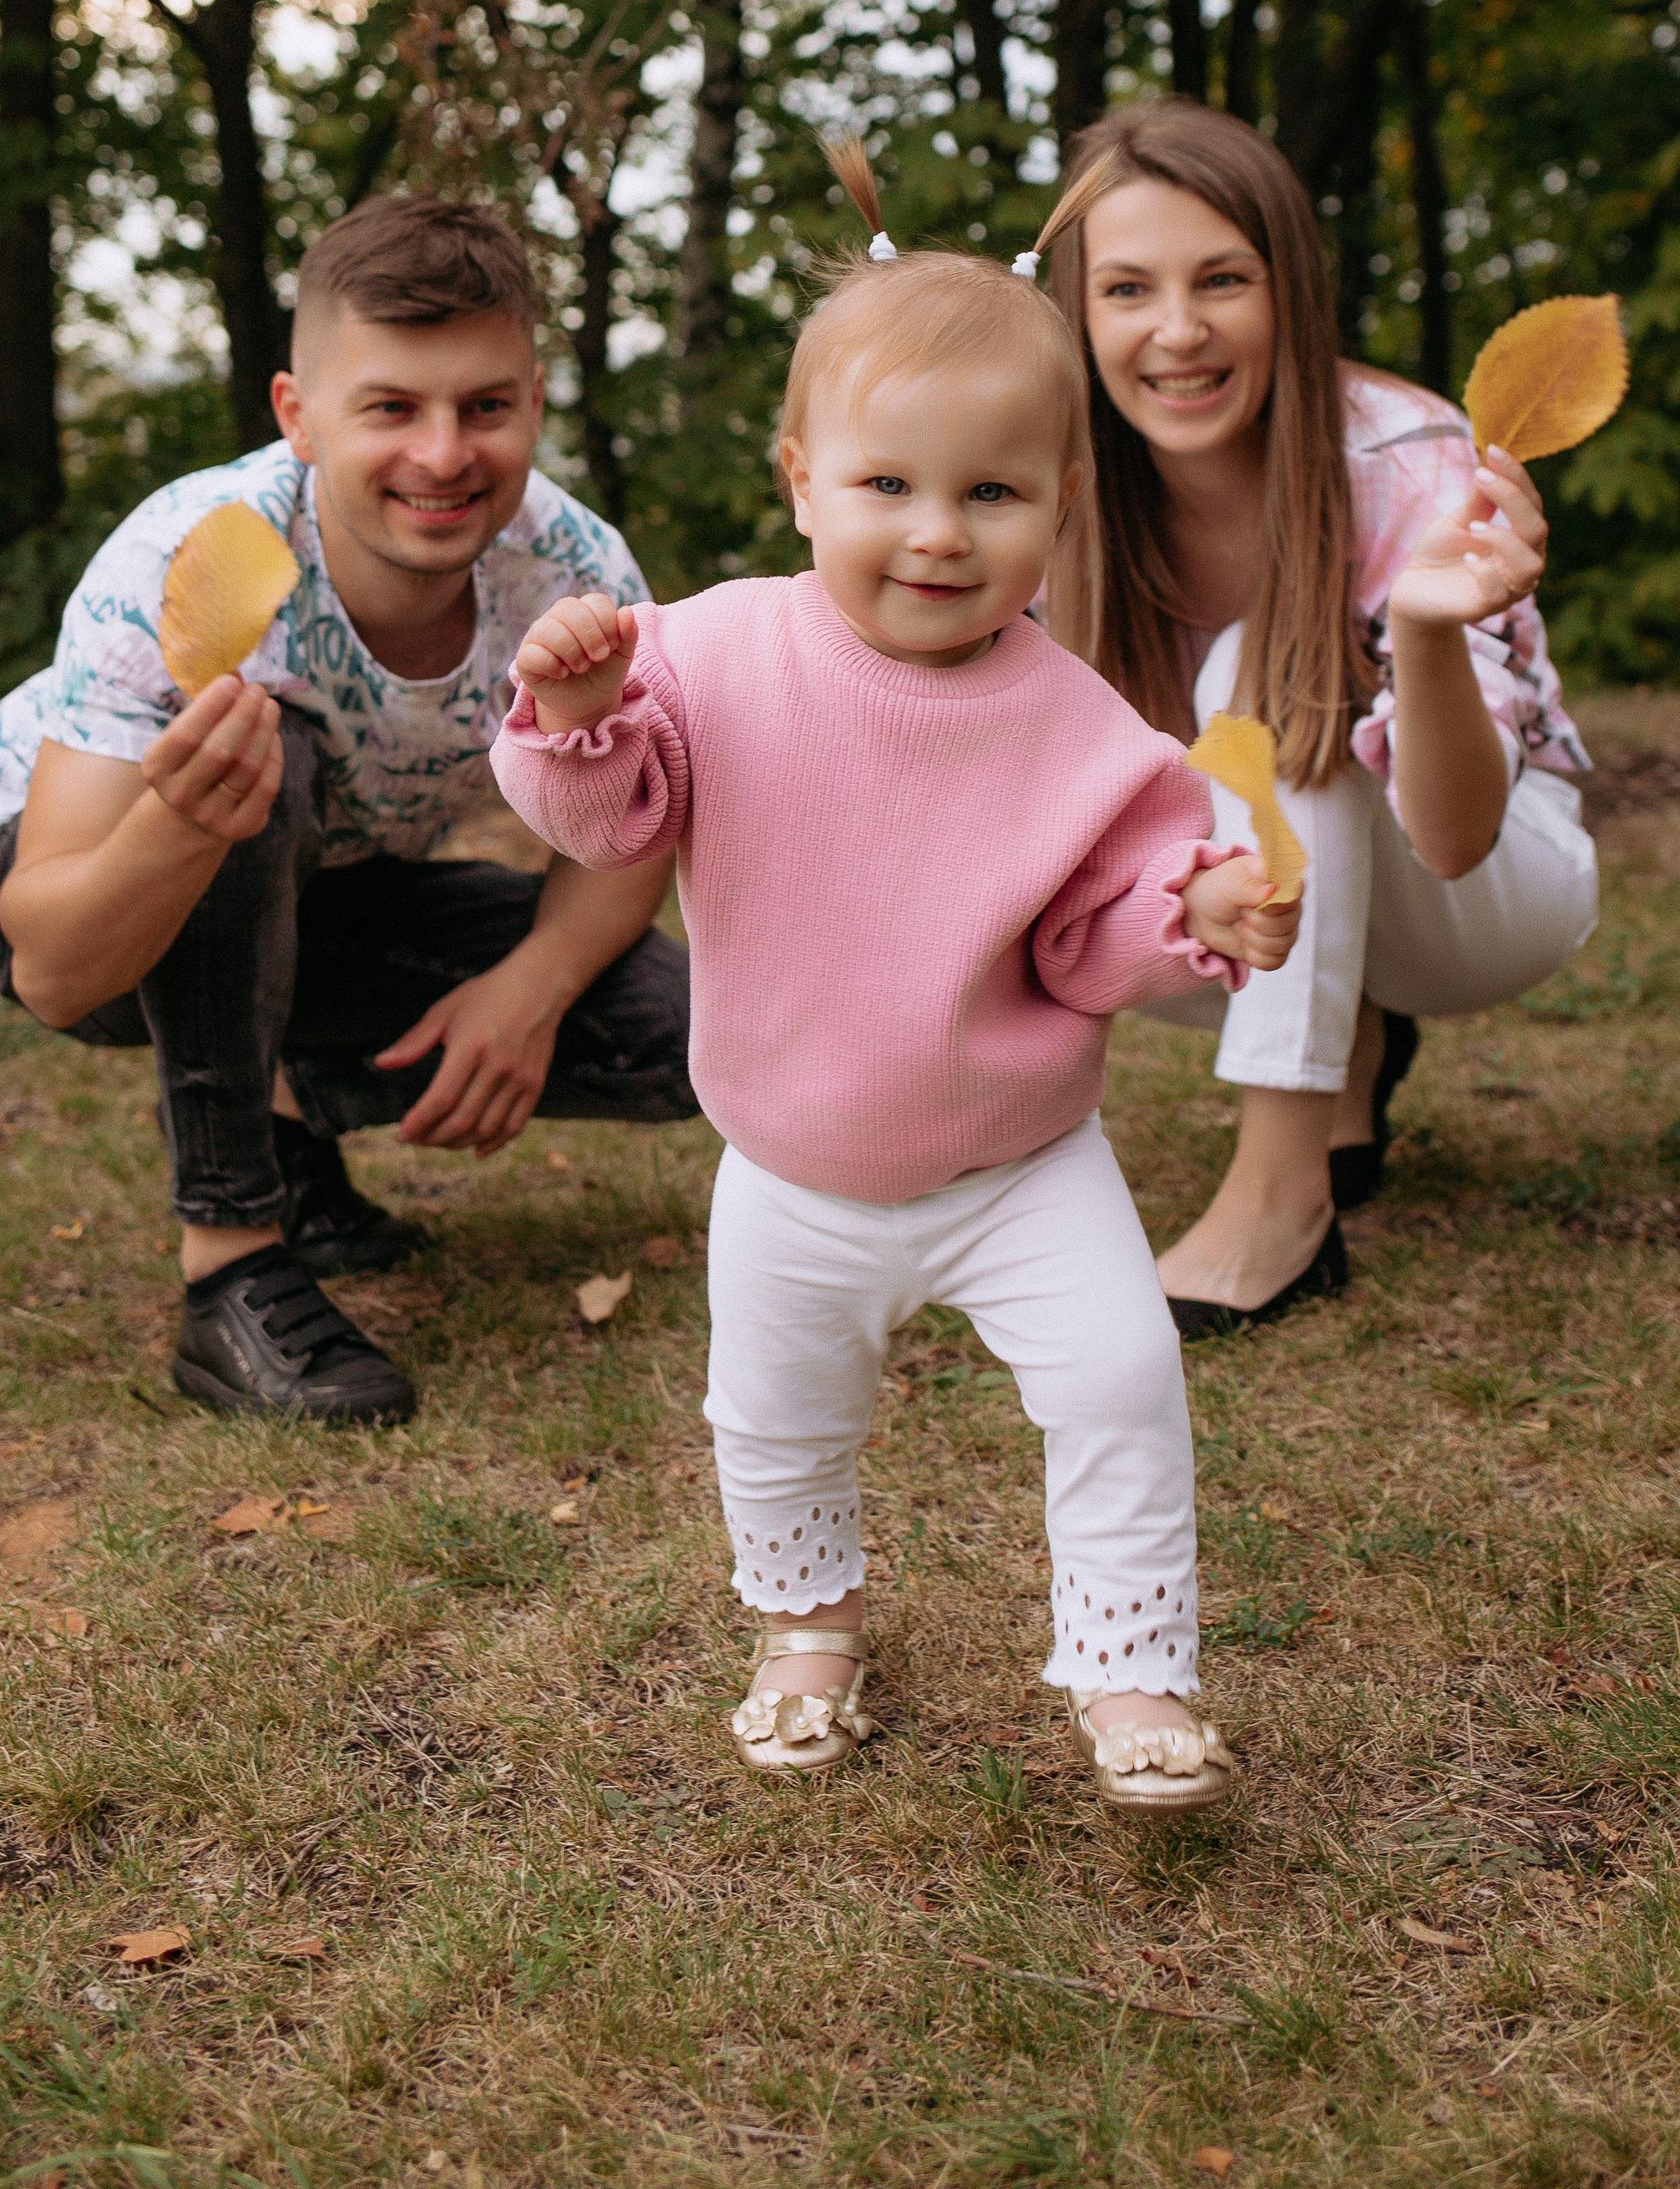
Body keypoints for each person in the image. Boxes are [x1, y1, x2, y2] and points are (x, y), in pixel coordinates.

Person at [490, 146, 1301, 1807]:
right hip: (790, 1166)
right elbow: (605, 811)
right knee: (775, 1413)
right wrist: (574, 719)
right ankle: (805, 1632)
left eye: (992, 495)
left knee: (1121, 1379)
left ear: (1060, 508)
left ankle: (1130, 1674)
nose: (937, 535)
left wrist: (1194, 916)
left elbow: (1091, 937)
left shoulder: (1082, 728)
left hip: (1020, 1162)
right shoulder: (708, 653)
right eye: (888, 488)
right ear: (801, 480)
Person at [0, 197, 698, 1426]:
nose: (446, 454)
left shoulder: (574, 573)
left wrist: (529, 991)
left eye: (486, 406)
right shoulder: (184, 560)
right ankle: (231, 1266)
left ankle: (289, 1125)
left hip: (323, 891)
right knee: (264, 756)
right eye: (392, 408)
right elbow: (52, 972)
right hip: (80, 882)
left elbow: (634, 817)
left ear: (535, 401)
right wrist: (177, 826)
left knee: (677, 1030)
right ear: (299, 416)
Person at [1044, 101, 1600, 1337]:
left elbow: (1457, 840)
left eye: (1223, 280)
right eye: (1128, 289)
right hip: (1223, 916)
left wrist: (1420, 629)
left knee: (1266, 673)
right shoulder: (1048, 481)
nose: (1178, 331)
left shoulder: (1409, 463)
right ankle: (1341, 1046)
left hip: (1488, 886)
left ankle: (1282, 1205)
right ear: (1077, 312)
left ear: (1288, 287)